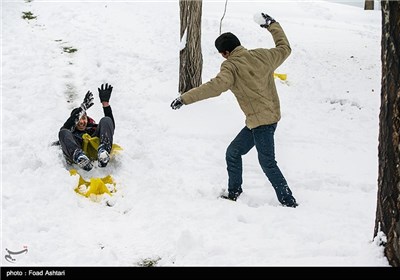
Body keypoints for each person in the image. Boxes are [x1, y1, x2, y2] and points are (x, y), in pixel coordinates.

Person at [170, 13, 298, 207]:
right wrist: (272, 25)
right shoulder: (262, 55)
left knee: (267, 163)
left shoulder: (231, 67)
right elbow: (284, 48)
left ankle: (288, 201)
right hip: (262, 119)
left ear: (225, 53)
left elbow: (214, 87)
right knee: (233, 152)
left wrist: (185, 98)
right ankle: (234, 191)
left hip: (262, 123)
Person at [59, 83, 115, 171]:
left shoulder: (92, 128)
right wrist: (82, 108)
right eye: (78, 119)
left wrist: (105, 104)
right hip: (78, 147)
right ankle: (80, 158)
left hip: (96, 149)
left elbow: (109, 126)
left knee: (106, 120)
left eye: (84, 118)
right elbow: (65, 130)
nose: (81, 122)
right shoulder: (70, 134)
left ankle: (103, 152)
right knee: (62, 132)